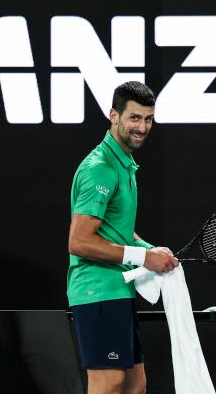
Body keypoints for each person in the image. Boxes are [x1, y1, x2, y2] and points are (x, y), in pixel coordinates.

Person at [67, 81, 179, 394]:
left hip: (119, 290)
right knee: (109, 384)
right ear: (114, 115)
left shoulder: (123, 163)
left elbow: (114, 228)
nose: (142, 127)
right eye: (134, 118)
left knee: (135, 385)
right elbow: (79, 241)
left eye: (148, 119)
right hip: (97, 291)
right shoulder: (100, 168)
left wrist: (148, 248)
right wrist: (144, 258)